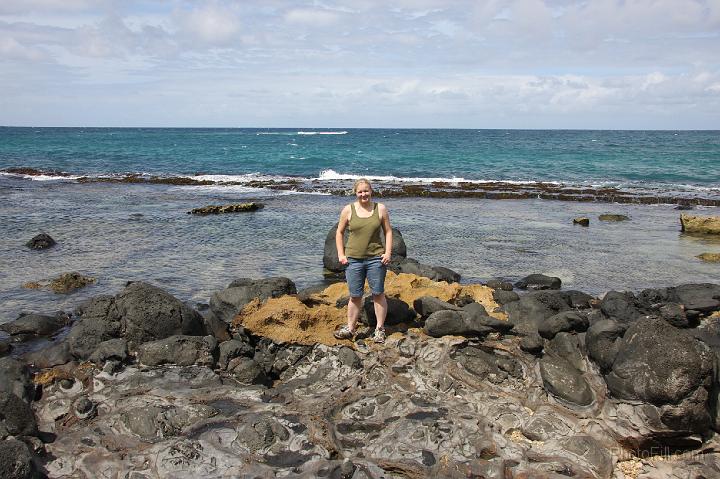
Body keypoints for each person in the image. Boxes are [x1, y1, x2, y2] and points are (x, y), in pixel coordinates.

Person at [334, 178, 392, 343]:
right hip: (353, 260)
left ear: (371, 191)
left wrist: (387, 252)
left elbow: (388, 231)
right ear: (355, 193)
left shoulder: (380, 209)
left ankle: (380, 330)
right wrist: (341, 254)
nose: (363, 194)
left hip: (376, 259)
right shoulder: (348, 210)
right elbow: (339, 232)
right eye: (360, 191)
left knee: (378, 294)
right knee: (355, 296)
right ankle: (350, 328)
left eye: (366, 191)